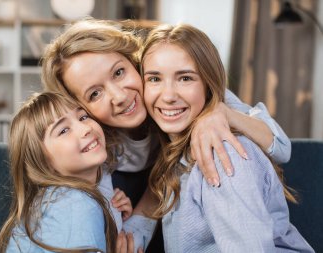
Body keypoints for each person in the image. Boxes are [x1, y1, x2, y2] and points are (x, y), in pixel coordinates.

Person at [40, 18, 292, 251]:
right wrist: (127, 224)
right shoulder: (96, 143)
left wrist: (221, 113)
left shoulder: (181, 89)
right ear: (81, 109)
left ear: (136, 63)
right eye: (95, 94)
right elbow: (164, 175)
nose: (120, 97)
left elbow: (282, 146)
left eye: (119, 72)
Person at [141, 23, 315, 252]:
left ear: (208, 84)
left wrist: (223, 112)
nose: (169, 95)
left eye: (185, 78)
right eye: (154, 79)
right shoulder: (174, 143)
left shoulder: (224, 154)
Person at [0, 92, 136, 253]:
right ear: (42, 161)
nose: (85, 128)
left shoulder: (63, 199)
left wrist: (115, 214)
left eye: (83, 117)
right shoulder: (74, 203)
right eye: (63, 130)